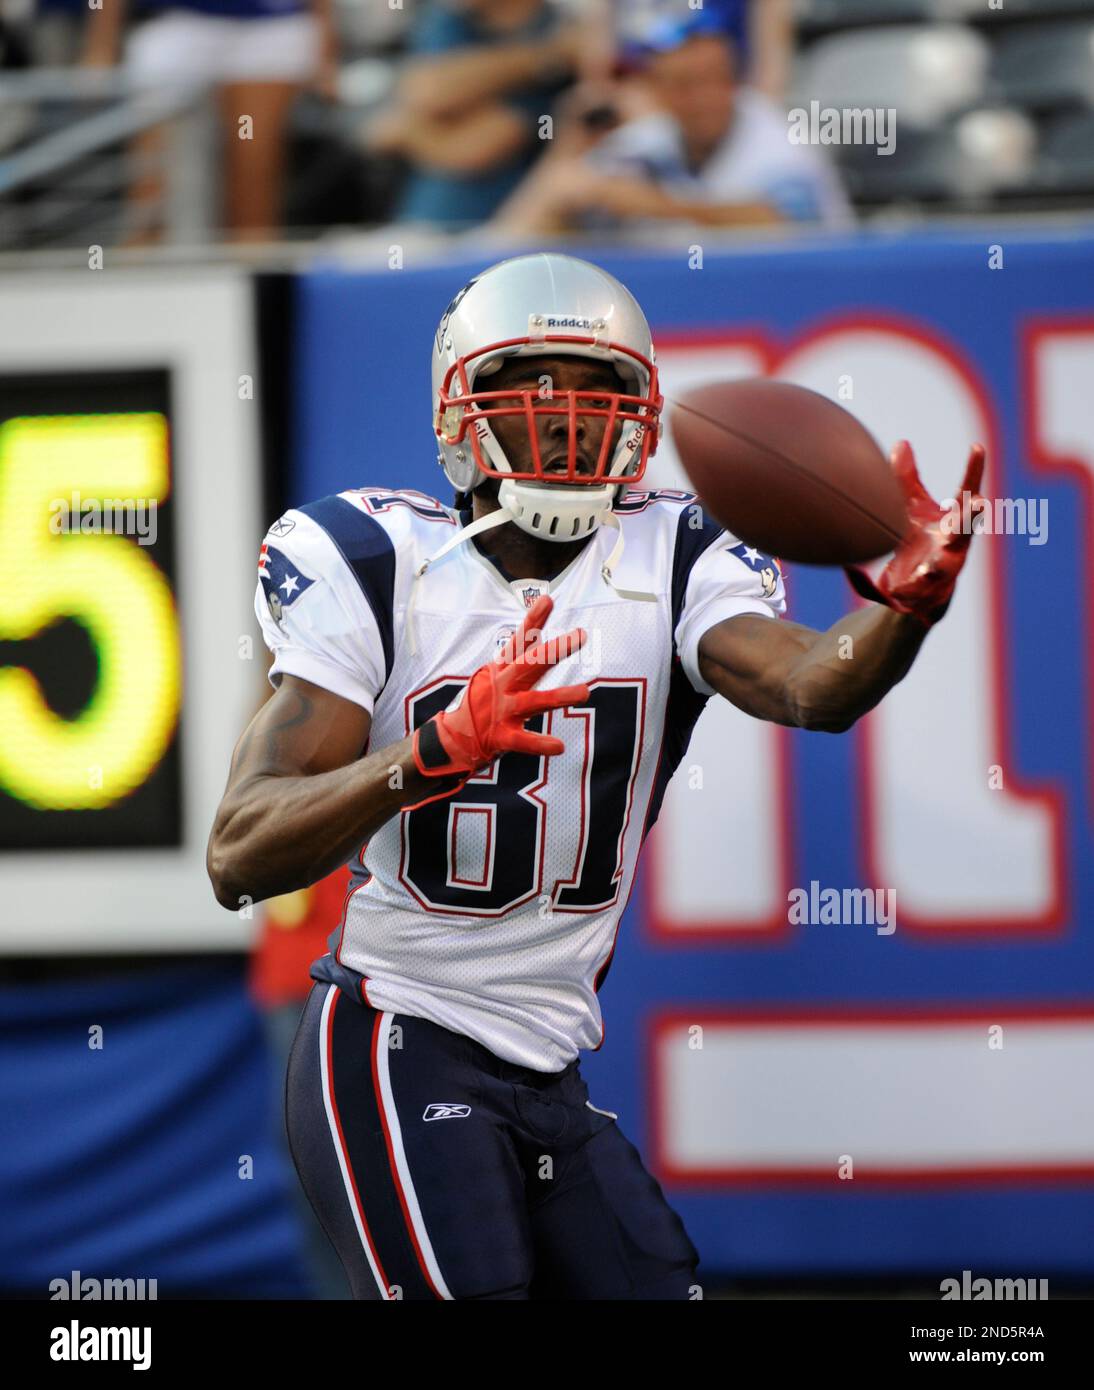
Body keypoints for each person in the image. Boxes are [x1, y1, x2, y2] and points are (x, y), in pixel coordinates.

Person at [207, 252, 985, 1300]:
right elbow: (238, 852)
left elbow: (809, 687)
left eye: (597, 389)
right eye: (531, 387)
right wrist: (422, 758)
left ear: (642, 413)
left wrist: (897, 610)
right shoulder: (373, 557)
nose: (566, 417)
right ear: (459, 411)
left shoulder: (673, 553)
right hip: (394, 1037)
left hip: (548, 1066)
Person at [493, 16, 851, 236]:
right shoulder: (646, 140)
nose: (697, 97)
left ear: (732, 80)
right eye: (679, 84)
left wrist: (653, 204)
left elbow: (785, 228)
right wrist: (566, 152)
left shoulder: (778, 139)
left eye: (709, 79)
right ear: (656, 89)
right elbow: (511, 237)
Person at [82, 0, 337, 241]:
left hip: (269, 24)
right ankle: (144, 258)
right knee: (153, 170)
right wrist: (101, 45)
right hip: (180, 21)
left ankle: (250, 263)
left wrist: (326, 55)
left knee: (252, 159)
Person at [364, 0, 589, 230]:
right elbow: (424, 92)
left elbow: (475, 149)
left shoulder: (557, 28)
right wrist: (542, 56)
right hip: (413, 228)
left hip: (497, 236)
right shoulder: (449, 20)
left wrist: (407, 129)